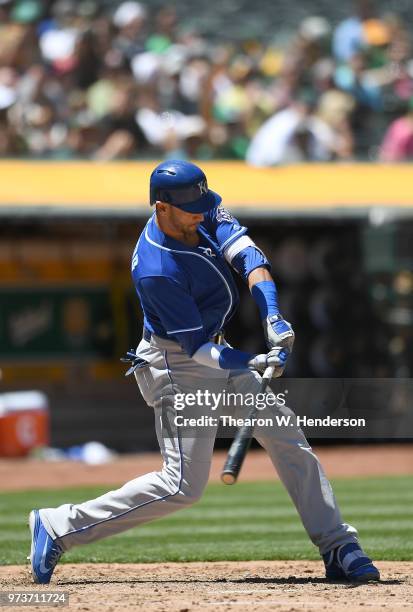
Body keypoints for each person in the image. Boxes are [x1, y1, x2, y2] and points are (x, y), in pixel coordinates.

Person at [28, 160, 380, 585]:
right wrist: (252, 362)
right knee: (182, 486)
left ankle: (338, 545)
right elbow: (197, 350)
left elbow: (249, 256)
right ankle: (57, 526)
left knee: (285, 435)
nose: (201, 211)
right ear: (161, 208)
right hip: (179, 366)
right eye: (190, 207)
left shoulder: (197, 205)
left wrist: (272, 316)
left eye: (202, 202)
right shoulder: (156, 270)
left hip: (216, 349)